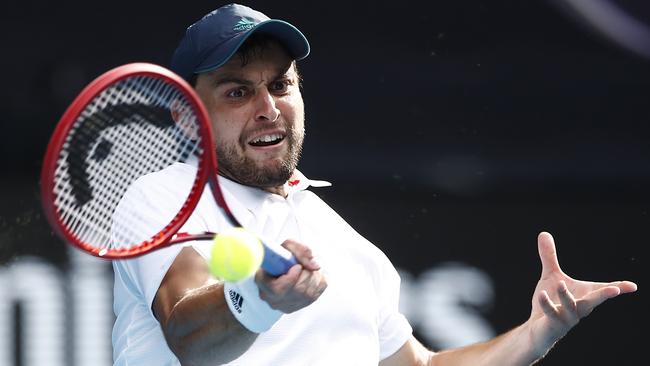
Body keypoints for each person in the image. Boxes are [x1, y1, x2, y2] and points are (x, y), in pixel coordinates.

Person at [111, 3, 638, 365]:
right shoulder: (165, 195)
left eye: (281, 85)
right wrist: (260, 299)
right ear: (186, 115)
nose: (268, 108)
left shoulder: (351, 249)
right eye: (236, 92)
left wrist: (535, 333)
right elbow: (187, 334)